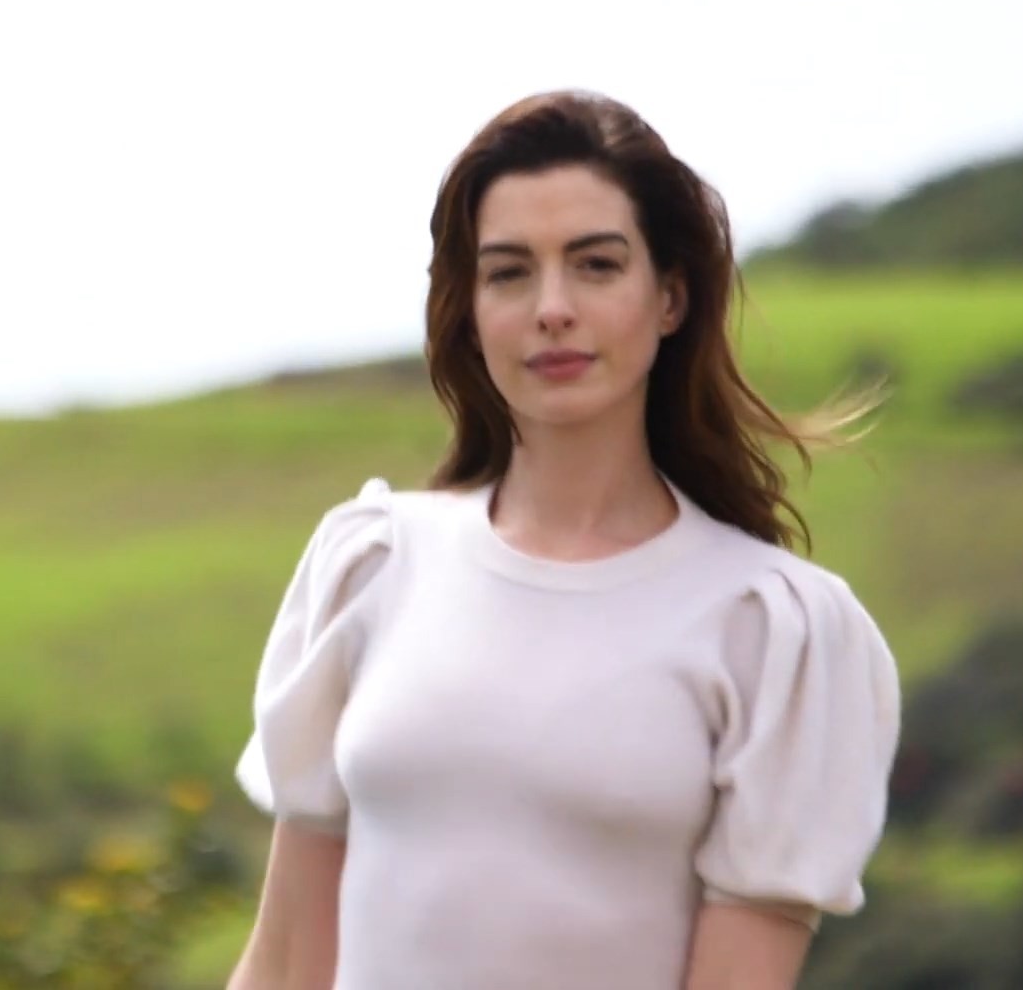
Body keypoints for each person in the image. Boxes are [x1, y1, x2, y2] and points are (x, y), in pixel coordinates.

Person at [226, 89, 901, 990]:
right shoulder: (372, 564)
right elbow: (282, 967)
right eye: (509, 273)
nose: (552, 307)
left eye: (595, 265)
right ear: (470, 310)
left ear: (669, 297)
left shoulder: (770, 628)